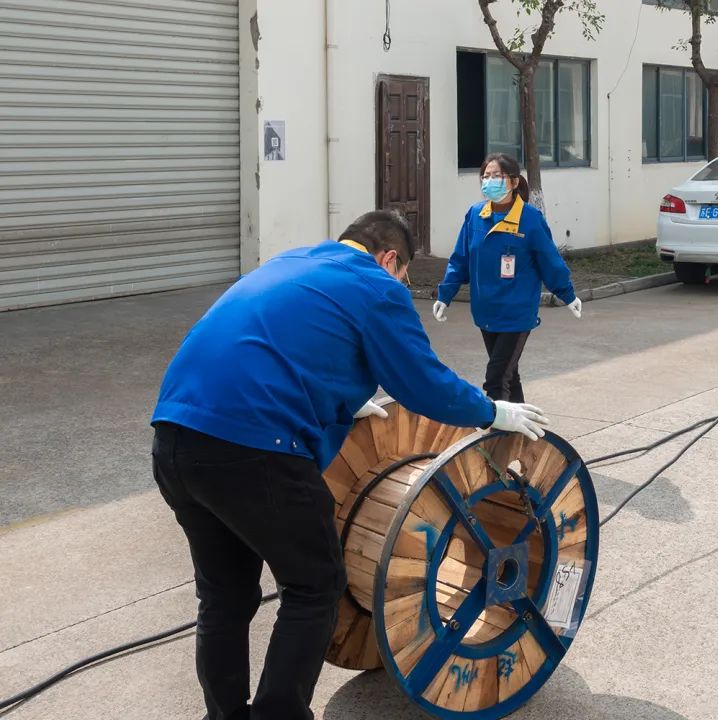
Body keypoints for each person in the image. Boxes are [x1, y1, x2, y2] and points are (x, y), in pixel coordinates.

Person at [150, 211, 548, 720]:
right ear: (389, 260)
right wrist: (494, 410)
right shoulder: (376, 286)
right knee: (314, 584)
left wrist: (336, 398)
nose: (402, 285)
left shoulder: (294, 261)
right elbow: (422, 382)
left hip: (174, 438)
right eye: (404, 274)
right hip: (254, 447)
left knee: (224, 595)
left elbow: (284, 347)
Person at [432, 153, 581, 402]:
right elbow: (460, 260)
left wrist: (567, 293)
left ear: (513, 182)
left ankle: (499, 434)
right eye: (486, 176)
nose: (489, 181)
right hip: (486, 312)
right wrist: (445, 294)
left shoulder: (530, 219)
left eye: (497, 176)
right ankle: (524, 432)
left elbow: (549, 260)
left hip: (516, 314)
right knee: (509, 377)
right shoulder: (475, 215)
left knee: (496, 378)